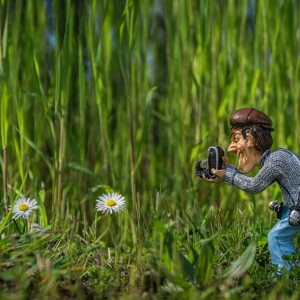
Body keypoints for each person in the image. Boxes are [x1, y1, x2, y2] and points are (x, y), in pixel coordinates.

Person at [202, 107, 300, 275]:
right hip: (293, 210)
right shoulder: (276, 157)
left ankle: (286, 275)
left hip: (296, 210)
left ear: (250, 139)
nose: (232, 147)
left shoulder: (276, 160)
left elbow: (254, 186)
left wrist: (227, 175)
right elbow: (253, 181)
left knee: (276, 237)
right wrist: (229, 171)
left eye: (236, 139)